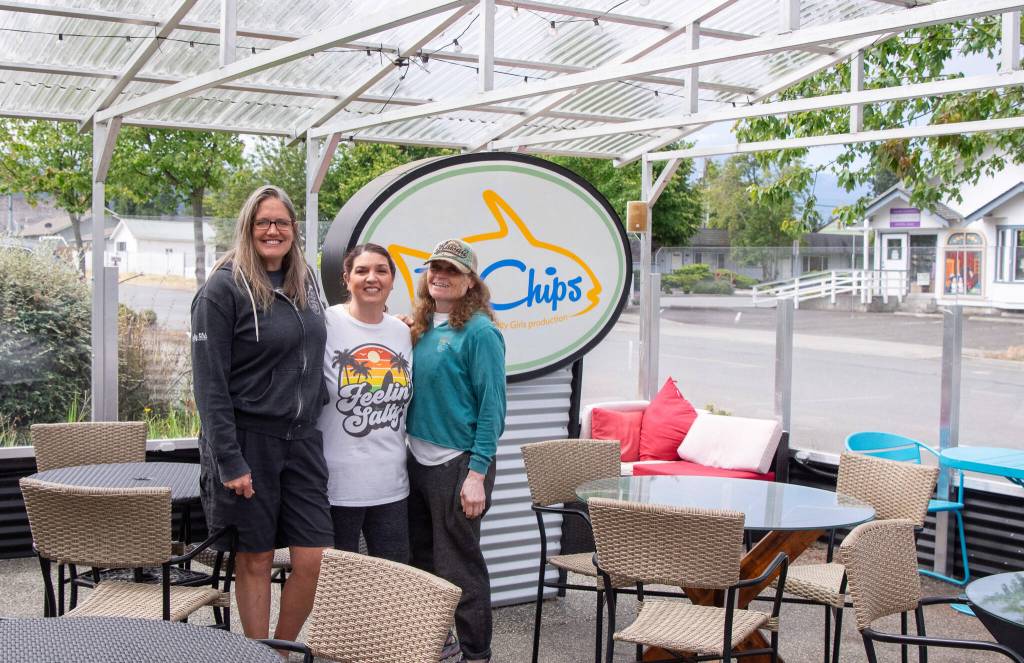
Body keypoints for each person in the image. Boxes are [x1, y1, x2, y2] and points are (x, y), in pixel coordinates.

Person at [191, 185, 333, 644]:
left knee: (313, 558)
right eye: (263, 223)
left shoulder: (305, 281)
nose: (273, 230)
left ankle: (281, 649)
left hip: (302, 441)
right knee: (255, 558)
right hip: (248, 442)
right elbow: (209, 385)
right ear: (248, 228)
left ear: (294, 230)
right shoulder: (223, 288)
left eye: (282, 223)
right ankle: (257, 654)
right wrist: (229, 459)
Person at [406, 238, 506, 663]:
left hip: (458, 464)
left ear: (470, 282)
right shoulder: (423, 327)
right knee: (423, 562)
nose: (440, 276)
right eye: (435, 269)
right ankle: (439, 642)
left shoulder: (481, 332)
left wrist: (477, 474)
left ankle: (476, 653)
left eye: (451, 270)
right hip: (416, 462)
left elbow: (493, 409)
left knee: (460, 568)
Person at [317, 244, 412, 563]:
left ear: (393, 280)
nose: (372, 278)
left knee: (394, 582)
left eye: (381, 270)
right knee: (335, 585)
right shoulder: (325, 325)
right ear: (346, 278)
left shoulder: (402, 332)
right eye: (362, 270)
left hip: (392, 482)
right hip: (335, 483)